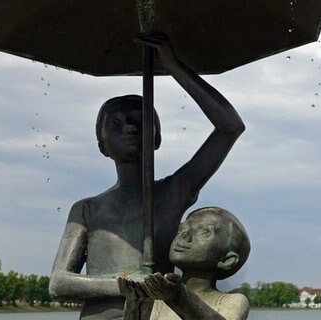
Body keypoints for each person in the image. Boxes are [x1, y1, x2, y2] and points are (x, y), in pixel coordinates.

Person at [49, 32, 245, 320]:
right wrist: (127, 285)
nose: (129, 127)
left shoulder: (173, 192)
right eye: (115, 122)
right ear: (101, 143)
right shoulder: (87, 210)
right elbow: (59, 284)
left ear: (157, 137)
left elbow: (230, 127)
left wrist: (175, 68)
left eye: (140, 121)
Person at [119, 207, 251, 320]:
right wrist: (135, 303)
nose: (185, 235)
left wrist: (177, 297)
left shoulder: (233, 301)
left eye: (205, 233)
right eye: (182, 229)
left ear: (226, 260)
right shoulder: (157, 302)